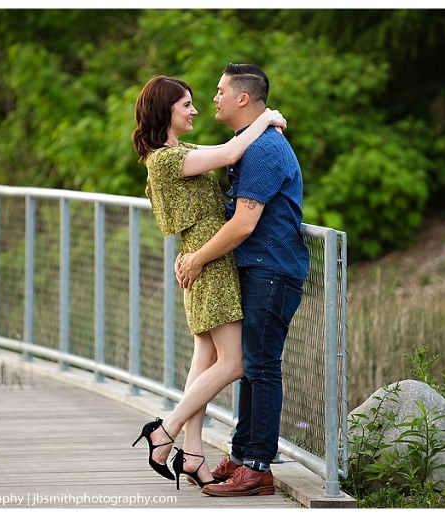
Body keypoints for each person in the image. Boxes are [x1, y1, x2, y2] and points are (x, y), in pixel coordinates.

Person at [130, 75, 287, 490]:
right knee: (233, 363)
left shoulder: (179, 151)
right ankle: (165, 430)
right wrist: (267, 116)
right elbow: (234, 149)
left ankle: (193, 452)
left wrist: (260, 121)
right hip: (208, 259)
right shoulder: (167, 160)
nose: (195, 110)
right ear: (166, 111)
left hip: (201, 254)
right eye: (186, 105)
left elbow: (227, 149)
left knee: (203, 358)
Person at [177, 63, 310, 497]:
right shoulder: (245, 142)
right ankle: (242, 455)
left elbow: (243, 225)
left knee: (263, 365)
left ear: (243, 99)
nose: (212, 98)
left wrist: (196, 258)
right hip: (256, 269)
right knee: (251, 364)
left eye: (219, 91)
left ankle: (257, 467)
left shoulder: (264, 150)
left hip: (272, 269)